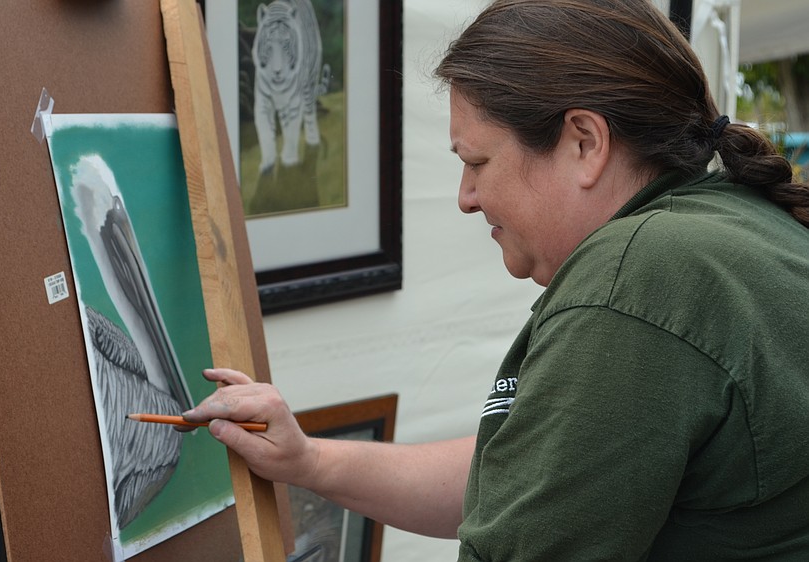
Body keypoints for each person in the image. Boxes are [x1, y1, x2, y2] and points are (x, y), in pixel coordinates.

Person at [182, 0, 809, 559]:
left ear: (585, 142)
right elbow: (526, 477)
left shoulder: (639, 278)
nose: (465, 197)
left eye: (477, 161)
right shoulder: (728, 223)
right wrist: (311, 461)